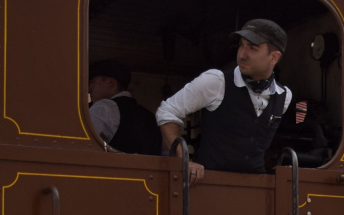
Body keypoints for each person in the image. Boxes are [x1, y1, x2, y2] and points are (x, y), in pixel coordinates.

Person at [156, 19, 292, 180]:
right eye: (241, 45)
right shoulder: (216, 81)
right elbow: (167, 111)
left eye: (253, 48)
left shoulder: (284, 96)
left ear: (274, 57)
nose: (242, 54)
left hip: (255, 188)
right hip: (209, 185)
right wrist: (184, 161)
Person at [87, 59, 162, 155]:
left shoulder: (104, 107)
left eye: (93, 82)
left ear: (110, 82)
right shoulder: (150, 117)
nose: (89, 89)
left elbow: (85, 145)